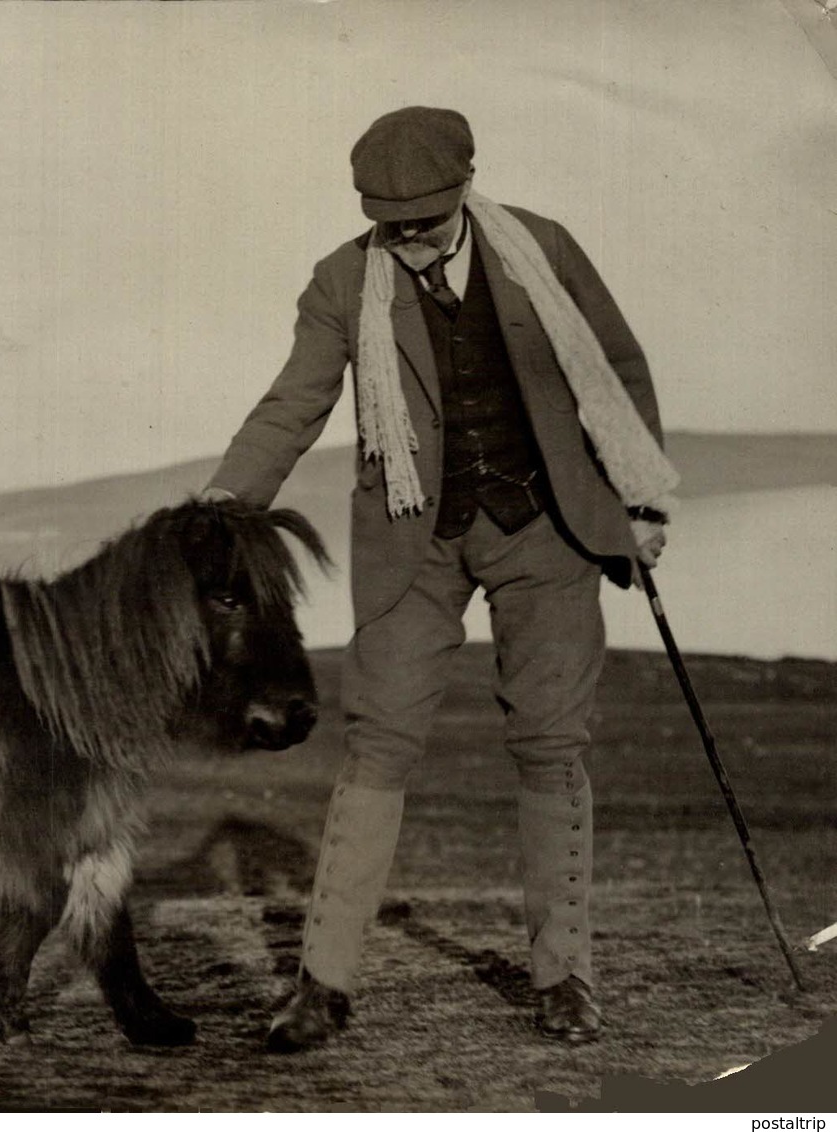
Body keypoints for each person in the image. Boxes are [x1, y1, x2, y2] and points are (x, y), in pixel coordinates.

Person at [201, 106, 676, 1049]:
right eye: (391, 222)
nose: (409, 240)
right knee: (376, 747)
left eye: (424, 218)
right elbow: (292, 403)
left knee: (548, 744)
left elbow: (614, 368)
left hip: (547, 532)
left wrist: (641, 500)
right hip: (410, 543)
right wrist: (218, 508)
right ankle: (322, 987)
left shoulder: (539, 247)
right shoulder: (342, 281)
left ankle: (565, 980)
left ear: (465, 187)